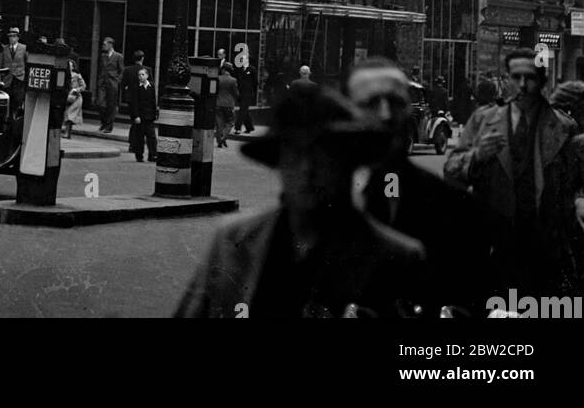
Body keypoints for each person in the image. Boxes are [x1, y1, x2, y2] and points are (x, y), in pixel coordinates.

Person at [174, 85, 426, 317]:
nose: (307, 169)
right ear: (279, 162)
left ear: (347, 162)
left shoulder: (395, 258)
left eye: (322, 155)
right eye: (294, 154)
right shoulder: (232, 241)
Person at [346, 58, 494, 316]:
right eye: (370, 103)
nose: (384, 114)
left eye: (394, 102)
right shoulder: (322, 202)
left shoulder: (457, 209)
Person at [444, 47, 584, 297]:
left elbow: (575, 183)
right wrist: (477, 156)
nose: (522, 85)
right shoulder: (483, 120)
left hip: (546, 247)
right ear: (506, 79)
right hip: (496, 244)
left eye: (529, 78)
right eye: (515, 77)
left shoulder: (563, 128)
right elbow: (451, 171)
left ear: (541, 82)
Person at [127, 67, 158, 162]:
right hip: (140, 116)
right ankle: (139, 155)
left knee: (151, 137)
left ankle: (153, 155)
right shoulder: (136, 87)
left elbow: (153, 101)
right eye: (139, 75)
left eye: (142, 74)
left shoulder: (151, 86)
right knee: (139, 137)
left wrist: (155, 114)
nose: (140, 76)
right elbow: (134, 103)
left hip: (149, 116)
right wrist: (136, 116)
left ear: (147, 76)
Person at [96, 37, 124, 134]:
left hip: (113, 83)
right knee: (100, 103)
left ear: (110, 45)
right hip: (103, 83)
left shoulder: (118, 56)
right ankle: (104, 122)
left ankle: (109, 126)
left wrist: (117, 81)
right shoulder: (103, 56)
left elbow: (122, 70)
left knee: (111, 106)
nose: (103, 46)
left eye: (104, 44)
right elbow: (100, 68)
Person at [0, 26, 27, 114]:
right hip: (7, 80)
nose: (11, 38)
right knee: (8, 103)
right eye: (10, 36)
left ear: (18, 38)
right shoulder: (4, 49)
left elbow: (26, 63)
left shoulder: (24, 48)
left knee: (17, 102)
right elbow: (0, 64)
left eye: (14, 36)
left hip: (19, 79)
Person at [215, 65, 239, 147]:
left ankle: (219, 141)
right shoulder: (233, 80)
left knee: (219, 123)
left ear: (224, 70)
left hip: (218, 103)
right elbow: (236, 93)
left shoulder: (217, 78)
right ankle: (223, 137)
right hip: (229, 104)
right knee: (230, 122)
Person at [120, 50, 150, 114]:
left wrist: (127, 91)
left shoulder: (127, 70)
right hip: (143, 98)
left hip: (131, 97)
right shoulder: (147, 70)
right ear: (142, 58)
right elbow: (150, 85)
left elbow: (123, 84)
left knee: (133, 116)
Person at [234, 59, 258, 133]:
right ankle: (249, 127)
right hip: (241, 93)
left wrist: (252, 92)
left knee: (242, 110)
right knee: (245, 111)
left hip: (248, 93)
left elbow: (255, 82)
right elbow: (238, 80)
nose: (242, 62)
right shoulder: (240, 70)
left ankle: (238, 128)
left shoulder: (252, 69)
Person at [64, 58, 85, 140]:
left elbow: (83, 86)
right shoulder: (64, 74)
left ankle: (67, 133)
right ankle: (67, 132)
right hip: (67, 97)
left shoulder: (77, 75)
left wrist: (76, 89)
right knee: (67, 115)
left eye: (70, 65)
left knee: (70, 115)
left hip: (75, 98)